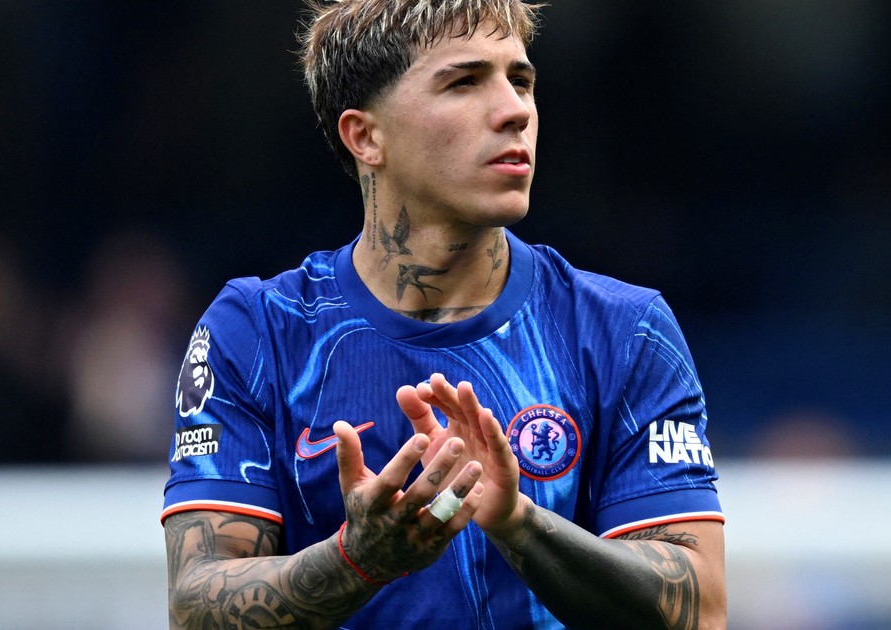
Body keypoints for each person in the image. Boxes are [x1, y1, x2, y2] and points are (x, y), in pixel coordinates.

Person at [161, 1, 726, 628]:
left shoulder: (625, 331)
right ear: (365, 136)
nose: (515, 110)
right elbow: (195, 606)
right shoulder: (256, 331)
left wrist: (518, 523)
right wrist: (357, 560)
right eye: (464, 82)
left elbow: (700, 609)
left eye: (521, 80)